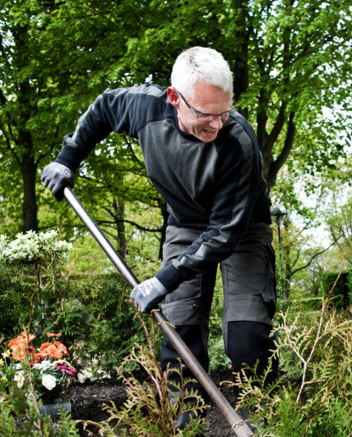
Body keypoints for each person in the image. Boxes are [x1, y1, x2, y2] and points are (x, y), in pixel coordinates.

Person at [41, 46, 278, 427]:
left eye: (224, 111)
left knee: (247, 337)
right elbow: (102, 109)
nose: (216, 124)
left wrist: (164, 279)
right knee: (180, 339)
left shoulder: (240, 141)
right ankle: (186, 429)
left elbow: (223, 234)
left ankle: (266, 425)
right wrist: (68, 158)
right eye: (204, 114)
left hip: (241, 228)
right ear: (174, 98)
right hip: (185, 224)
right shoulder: (145, 107)